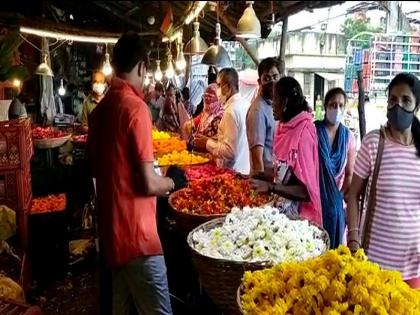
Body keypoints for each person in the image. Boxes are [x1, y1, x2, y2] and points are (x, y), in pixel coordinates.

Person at [87, 31, 187, 314]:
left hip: (112, 236)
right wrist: (173, 181)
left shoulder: (101, 109)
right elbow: (147, 183)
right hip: (139, 238)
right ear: (142, 67)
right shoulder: (136, 108)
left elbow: (96, 166)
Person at [347, 73, 420, 289]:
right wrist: (352, 237)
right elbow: (353, 195)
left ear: (416, 107)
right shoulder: (373, 143)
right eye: (393, 99)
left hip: (413, 266)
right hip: (374, 263)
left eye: (406, 100)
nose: (398, 106)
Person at [250, 77, 322, 225]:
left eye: (275, 100)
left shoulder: (304, 133)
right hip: (281, 214)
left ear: (285, 103)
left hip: (300, 220)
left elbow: (306, 192)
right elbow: (284, 172)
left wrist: (271, 187)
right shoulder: (283, 127)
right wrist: (260, 175)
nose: (272, 105)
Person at [315, 88, 356, 249]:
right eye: (333, 105)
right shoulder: (314, 131)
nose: (337, 109)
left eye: (340, 105)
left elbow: (349, 174)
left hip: (336, 204)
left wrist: (338, 198)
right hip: (314, 201)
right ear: (325, 106)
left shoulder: (348, 138)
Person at [194, 68, 250, 175]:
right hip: (245, 169)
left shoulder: (231, 111)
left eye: (219, 85)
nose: (217, 90)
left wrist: (207, 143)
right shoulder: (246, 105)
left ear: (229, 86)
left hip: (233, 172)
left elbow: (229, 151)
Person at [246, 57, 280, 176]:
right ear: (259, 82)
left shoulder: (276, 106)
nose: (272, 82)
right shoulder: (258, 110)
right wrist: (263, 185)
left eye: (275, 77)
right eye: (267, 78)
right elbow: (257, 158)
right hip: (265, 181)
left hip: (276, 180)